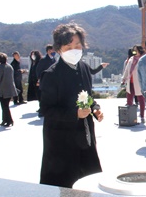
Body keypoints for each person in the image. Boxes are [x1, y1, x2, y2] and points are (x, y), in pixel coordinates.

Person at [39, 23, 103, 188]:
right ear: (58, 49)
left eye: (77, 45)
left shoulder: (84, 68)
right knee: (64, 185)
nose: (74, 50)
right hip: (61, 141)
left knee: (89, 181)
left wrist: (95, 108)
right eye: (68, 47)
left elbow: (87, 96)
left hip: (85, 135)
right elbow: (46, 109)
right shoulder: (51, 75)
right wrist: (74, 114)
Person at [121, 45, 146, 124]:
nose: (134, 52)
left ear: (140, 50)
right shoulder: (131, 59)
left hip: (139, 82)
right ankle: (130, 117)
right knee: (129, 99)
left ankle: (142, 116)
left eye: (136, 51)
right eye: (133, 51)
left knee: (141, 99)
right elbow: (127, 70)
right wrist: (124, 79)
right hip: (130, 81)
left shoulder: (143, 59)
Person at [0, 52, 18, 127]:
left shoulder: (0, 68)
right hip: (10, 89)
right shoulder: (9, 66)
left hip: (3, 90)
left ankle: (8, 120)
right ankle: (5, 120)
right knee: (6, 105)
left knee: (4, 106)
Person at [35, 44, 56, 117]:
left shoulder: (54, 60)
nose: (53, 51)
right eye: (52, 50)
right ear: (48, 51)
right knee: (44, 97)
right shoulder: (43, 60)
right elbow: (38, 70)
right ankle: (42, 111)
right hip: (45, 81)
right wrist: (39, 79)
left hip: (53, 81)